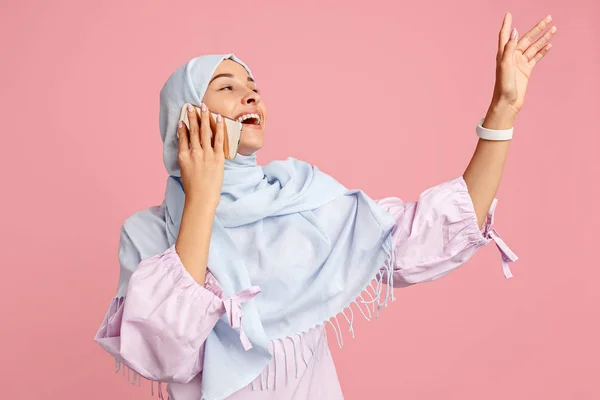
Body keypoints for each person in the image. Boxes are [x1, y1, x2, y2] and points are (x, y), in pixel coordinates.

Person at [95, 12, 556, 400]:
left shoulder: (300, 199)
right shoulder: (148, 234)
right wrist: (202, 197)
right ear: (188, 115)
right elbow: (165, 354)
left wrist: (502, 113)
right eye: (226, 87)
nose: (251, 94)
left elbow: (425, 237)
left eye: (253, 85)